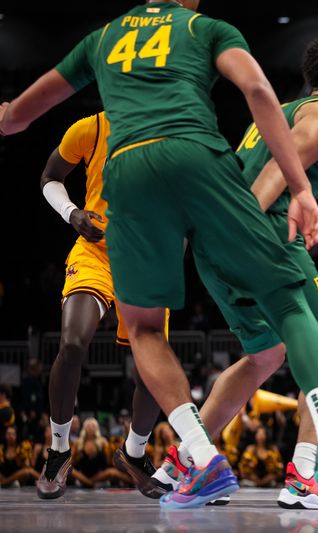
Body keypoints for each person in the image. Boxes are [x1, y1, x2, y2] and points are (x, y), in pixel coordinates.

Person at [0, 1, 318, 508]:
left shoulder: (107, 41)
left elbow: (16, 116)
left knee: (261, 355)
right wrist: (251, 227)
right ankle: (316, 467)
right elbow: (267, 164)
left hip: (167, 209)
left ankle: (186, 460)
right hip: (250, 223)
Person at [147, 32, 318, 510]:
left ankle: (186, 460)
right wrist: (245, 236)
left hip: (213, 243)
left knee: (266, 355)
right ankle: (306, 477)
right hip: (260, 235)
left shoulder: (284, 112)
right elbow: (271, 176)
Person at [35, 111, 165, 500]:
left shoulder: (169, 129)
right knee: (72, 343)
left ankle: (134, 454)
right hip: (96, 253)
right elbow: (50, 178)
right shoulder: (91, 127)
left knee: (153, 372)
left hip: (145, 261)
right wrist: (72, 213)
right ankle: (58, 450)